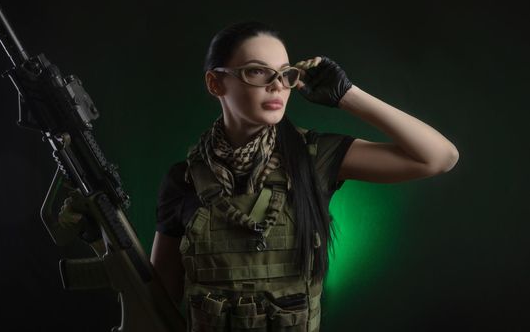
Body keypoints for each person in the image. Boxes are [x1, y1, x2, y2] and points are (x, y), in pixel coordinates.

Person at [61, 21, 459, 331]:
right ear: (216, 82)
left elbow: (438, 157)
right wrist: (103, 242)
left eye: (285, 74)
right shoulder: (183, 180)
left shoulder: (313, 157)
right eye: (256, 71)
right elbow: (159, 301)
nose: (276, 85)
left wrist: (346, 95)